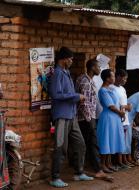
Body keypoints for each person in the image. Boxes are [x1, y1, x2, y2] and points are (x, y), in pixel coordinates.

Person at [48, 47, 92, 188]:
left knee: (80, 144)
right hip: (61, 116)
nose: (72, 61)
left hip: (71, 116)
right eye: (70, 59)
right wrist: (76, 96)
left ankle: (79, 173)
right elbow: (56, 94)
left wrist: (77, 99)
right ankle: (55, 177)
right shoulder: (58, 74)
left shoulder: (66, 73)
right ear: (63, 59)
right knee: (60, 147)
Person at [76, 59, 113, 182]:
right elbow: (84, 103)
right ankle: (98, 170)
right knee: (93, 143)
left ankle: (86, 168)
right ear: (92, 67)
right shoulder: (85, 81)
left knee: (88, 144)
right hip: (86, 117)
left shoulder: (88, 80)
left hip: (87, 117)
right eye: (98, 66)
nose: (100, 69)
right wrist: (89, 119)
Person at [97, 69, 126, 173]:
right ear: (107, 78)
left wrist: (121, 111)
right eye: (112, 76)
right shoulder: (103, 91)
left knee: (111, 140)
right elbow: (110, 106)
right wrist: (120, 113)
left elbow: (117, 103)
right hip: (108, 117)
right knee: (106, 141)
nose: (114, 78)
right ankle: (102, 164)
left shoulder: (112, 89)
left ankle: (108, 163)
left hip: (115, 118)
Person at [111, 69, 134, 168]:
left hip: (126, 118)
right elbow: (114, 104)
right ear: (118, 77)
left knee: (125, 141)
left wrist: (127, 106)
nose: (125, 81)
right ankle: (118, 161)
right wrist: (125, 107)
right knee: (118, 140)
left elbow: (124, 102)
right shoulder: (112, 88)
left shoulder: (122, 89)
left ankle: (123, 160)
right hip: (118, 117)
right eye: (124, 78)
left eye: (126, 79)